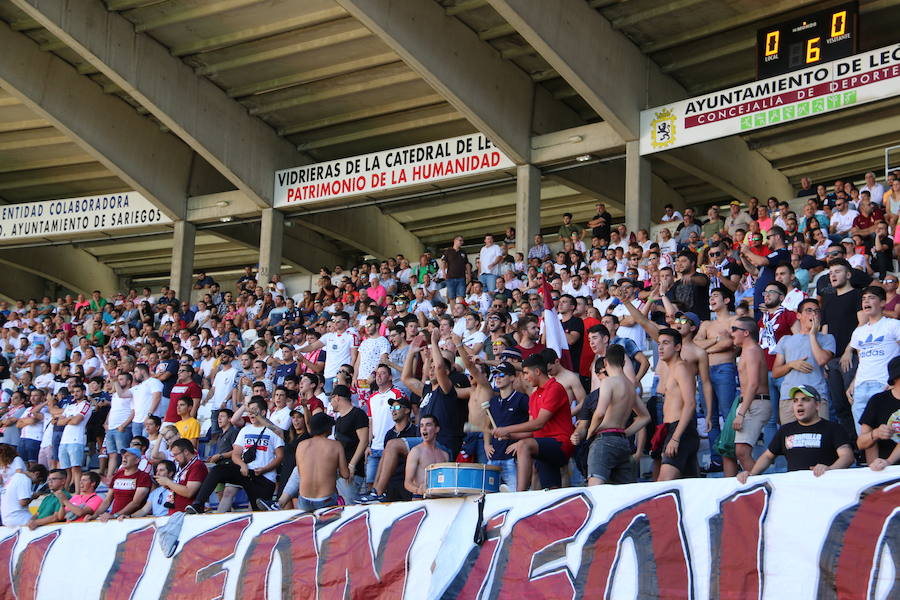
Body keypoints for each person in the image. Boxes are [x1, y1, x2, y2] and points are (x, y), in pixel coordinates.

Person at [186, 396, 283, 513]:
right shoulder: (245, 430)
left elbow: (280, 456)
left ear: (263, 412)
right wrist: (242, 465)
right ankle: (198, 504)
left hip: (265, 477)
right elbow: (236, 454)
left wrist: (265, 469)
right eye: (250, 410)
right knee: (218, 470)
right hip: (246, 472)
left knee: (259, 511)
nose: (251, 414)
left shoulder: (272, 431)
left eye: (254, 410)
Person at [492, 354, 574, 491]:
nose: (524, 377)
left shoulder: (555, 388)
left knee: (523, 445)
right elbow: (531, 431)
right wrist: (511, 436)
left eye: (525, 373)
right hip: (543, 446)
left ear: (537, 371)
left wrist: (507, 429)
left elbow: (539, 423)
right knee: (551, 490)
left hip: (560, 443)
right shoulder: (534, 395)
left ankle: (520, 494)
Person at [737, 385, 853, 481]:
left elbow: (847, 456)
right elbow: (767, 456)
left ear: (817, 405)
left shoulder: (833, 428)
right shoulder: (785, 430)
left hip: (823, 485)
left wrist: (830, 469)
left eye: (805, 399)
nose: (799, 404)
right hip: (795, 490)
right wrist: (752, 475)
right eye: (795, 401)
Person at [585, 345, 651, 485]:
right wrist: (625, 433)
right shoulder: (630, 386)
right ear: (623, 362)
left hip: (605, 438)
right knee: (623, 492)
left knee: (595, 489)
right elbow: (645, 417)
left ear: (605, 362)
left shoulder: (608, 382)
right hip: (622, 441)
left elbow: (600, 412)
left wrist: (590, 431)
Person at [842, 286, 900, 434]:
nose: (866, 301)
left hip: (883, 385)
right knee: (865, 438)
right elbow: (863, 360)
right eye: (863, 299)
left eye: (871, 297)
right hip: (861, 387)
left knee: (886, 435)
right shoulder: (858, 332)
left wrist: (896, 382)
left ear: (882, 303)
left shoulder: (893, 325)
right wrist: (853, 383)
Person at [772, 298, 835, 425]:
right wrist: (791, 364)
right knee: (790, 440)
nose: (813, 314)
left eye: (817, 311)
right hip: (789, 398)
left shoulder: (827, 338)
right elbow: (775, 372)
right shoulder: (786, 340)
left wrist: (812, 335)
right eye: (809, 310)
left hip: (816, 396)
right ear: (798, 315)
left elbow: (821, 360)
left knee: (819, 439)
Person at [649, 328, 699, 481]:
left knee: (663, 486)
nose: (660, 348)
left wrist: (676, 437)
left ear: (677, 347)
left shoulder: (681, 368)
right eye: (659, 344)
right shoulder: (671, 369)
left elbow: (690, 403)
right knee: (689, 487)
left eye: (666, 343)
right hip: (672, 429)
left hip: (680, 430)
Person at [729, 317, 772, 473]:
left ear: (746, 333)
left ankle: (760, 485)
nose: (731, 332)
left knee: (742, 452)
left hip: (755, 404)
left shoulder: (752, 350)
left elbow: (753, 384)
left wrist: (741, 413)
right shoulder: (747, 350)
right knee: (740, 452)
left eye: (734, 329)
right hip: (750, 403)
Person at [294, 412, 350, 512]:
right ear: (326, 427)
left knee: (308, 527)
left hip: (305, 498)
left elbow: (300, 472)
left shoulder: (301, 445)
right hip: (326, 499)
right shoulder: (336, 445)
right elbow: (345, 474)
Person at [858, 355, 900, 465]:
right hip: (884, 471)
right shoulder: (878, 401)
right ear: (896, 378)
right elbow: (861, 443)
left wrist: (888, 461)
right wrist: (876, 433)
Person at [330, 384, 368, 504]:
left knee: (351, 506)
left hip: (353, 472)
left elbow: (364, 440)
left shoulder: (357, 414)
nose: (330, 403)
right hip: (340, 472)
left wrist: (352, 465)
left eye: (331, 399)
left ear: (337, 397)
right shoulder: (339, 419)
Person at [89, 448, 151, 521]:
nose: (124, 457)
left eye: (128, 455)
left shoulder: (143, 477)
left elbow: (136, 502)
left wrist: (115, 515)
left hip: (131, 520)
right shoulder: (117, 475)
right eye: (123, 455)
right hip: (115, 518)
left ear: (137, 460)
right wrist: (95, 515)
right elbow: (107, 500)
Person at [156, 438, 206, 514]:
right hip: (176, 514)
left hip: (188, 516)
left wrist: (168, 482)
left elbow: (189, 492)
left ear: (186, 452)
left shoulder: (197, 466)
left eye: (176, 454)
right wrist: (167, 484)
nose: (175, 458)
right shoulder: (182, 466)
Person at [404, 415, 450, 499]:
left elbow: (447, 481)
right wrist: (418, 490)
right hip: (420, 498)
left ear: (437, 429)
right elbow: (407, 483)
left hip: (440, 499)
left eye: (428, 425)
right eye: (421, 425)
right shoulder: (416, 451)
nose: (424, 428)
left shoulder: (445, 455)